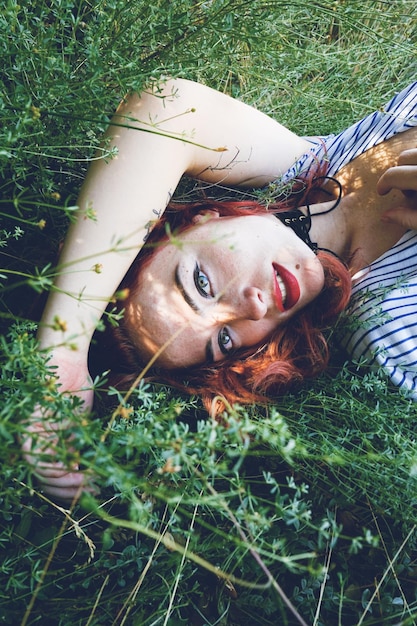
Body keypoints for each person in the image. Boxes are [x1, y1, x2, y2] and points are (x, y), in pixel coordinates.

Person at [24, 78, 417, 500]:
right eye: (224, 339)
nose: (250, 309)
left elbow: (166, 107)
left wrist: (61, 352)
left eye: (201, 283)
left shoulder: (316, 164)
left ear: (201, 219)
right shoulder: (388, 326)